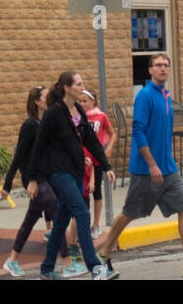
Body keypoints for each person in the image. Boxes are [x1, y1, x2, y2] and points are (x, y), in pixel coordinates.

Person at [96, 53, 183, 278]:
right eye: (158, 65)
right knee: (129, 213)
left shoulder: (166, 95)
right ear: (149, 70)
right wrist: (151, 164)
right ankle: (104, 255)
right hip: (146, 170)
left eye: (166, 65)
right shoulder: (145, 96)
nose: (163, 69)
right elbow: (138, 130)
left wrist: (163, 162)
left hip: (168, 169)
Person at [27, 69, 118, 281]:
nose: (81, 87)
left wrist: (106, 166)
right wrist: (32, 179)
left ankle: (47, 270)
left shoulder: (77, 108)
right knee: (82, 213)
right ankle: (95, 268)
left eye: (82, 84)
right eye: (77, 84)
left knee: (60, 221)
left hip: (77, 172)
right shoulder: (53, 113)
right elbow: (38, 147)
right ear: (66, 88)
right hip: (59, 173)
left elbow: (91, 141)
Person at [0, 84, 73, 277]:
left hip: (48, 177)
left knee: (30, 220)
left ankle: (12, 260)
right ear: (37, 102)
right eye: (46, 97)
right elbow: (19, 155)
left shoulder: (48, 122)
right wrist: (8, 184)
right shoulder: (29, 125)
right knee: (56, 212)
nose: (50, 100)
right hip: (34, 179)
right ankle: (68, 262)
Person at [83, 88, 116, 235]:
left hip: (96, 156)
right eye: (80, 101)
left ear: (93, 101)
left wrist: (108, 148)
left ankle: (95, 224)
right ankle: (84, 223)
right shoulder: (78, 117)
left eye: (85, 101)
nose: (82, 104)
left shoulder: (100, 116)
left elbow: (112, 133)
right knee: (83, 191)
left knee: (95, 190)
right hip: (83, 157)